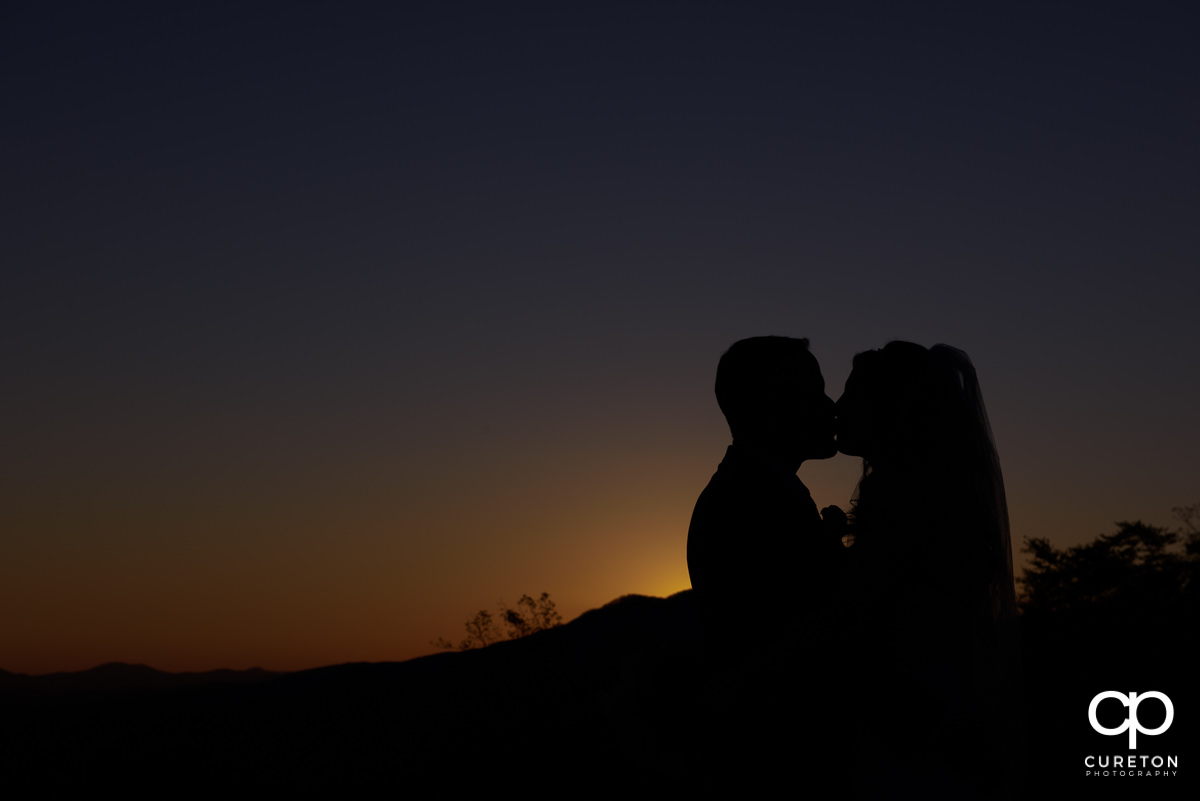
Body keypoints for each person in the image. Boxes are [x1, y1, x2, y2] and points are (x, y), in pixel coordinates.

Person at [835, 341, 1023, 800]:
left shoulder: (909, 500)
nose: (838, 408)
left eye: (853, 396)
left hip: (917, 717)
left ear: (894, 410)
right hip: (925, 708)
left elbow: (869, 619)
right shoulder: (924, 489)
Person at [686, 335, 846, 650]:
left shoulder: (755, 490)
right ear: (770, 404)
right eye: (815, 391)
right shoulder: (740, 506)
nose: (832, 405)